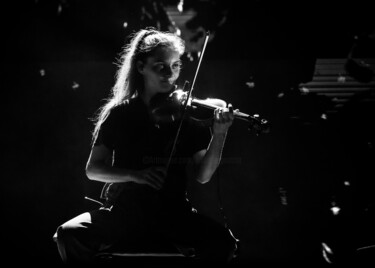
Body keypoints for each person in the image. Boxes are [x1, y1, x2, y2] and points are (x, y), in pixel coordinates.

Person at [53, 27, 238, 264]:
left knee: (224, 244)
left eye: (175, 66)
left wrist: (220, 133)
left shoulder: (188, 116)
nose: (169, 74)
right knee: (69, 235)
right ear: (141, 67)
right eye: (160, 65)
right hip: (124, 214)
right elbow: (93, 169)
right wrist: (136, 175)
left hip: (174, 215)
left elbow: (204, 175)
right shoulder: (120, 114)